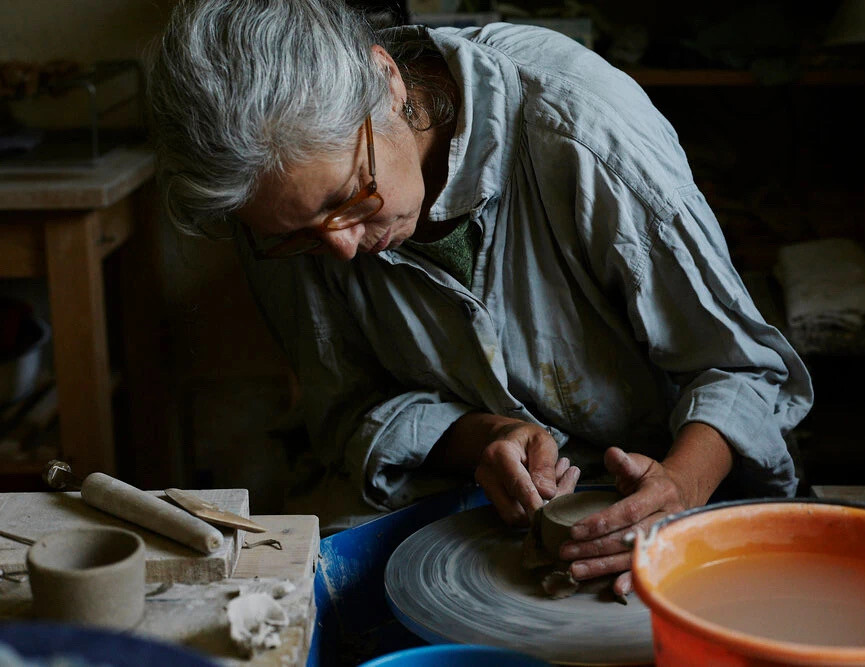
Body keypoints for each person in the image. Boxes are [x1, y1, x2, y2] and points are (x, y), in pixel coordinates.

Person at [147, 0, 813, 598]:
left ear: (387, 81)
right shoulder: (273, 207)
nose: (343, 250)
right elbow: (343, 410)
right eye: (298, 237)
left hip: (653, 483)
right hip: (466, 501)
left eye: (347, 198)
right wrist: (482, 437)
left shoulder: (582, 134)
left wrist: (678, 487)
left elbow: (745, 367)